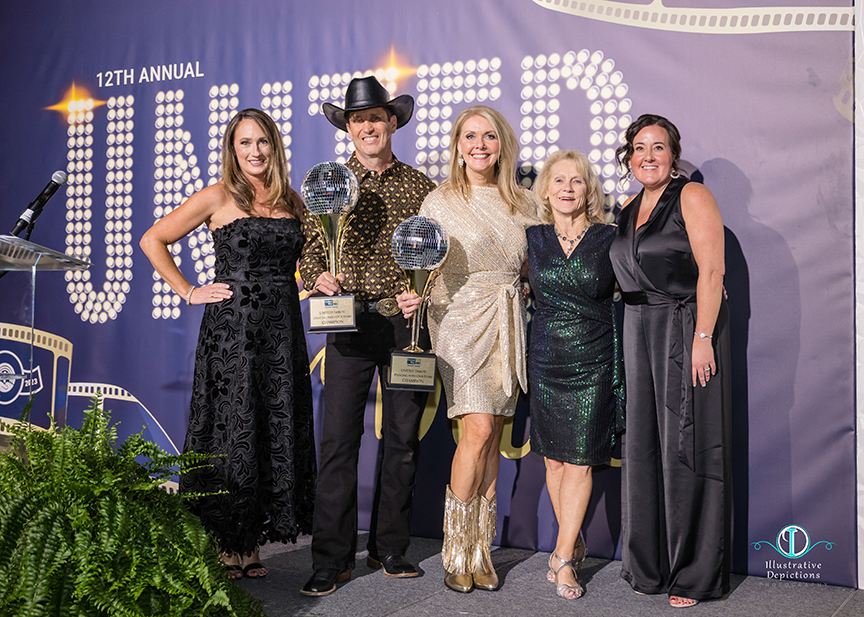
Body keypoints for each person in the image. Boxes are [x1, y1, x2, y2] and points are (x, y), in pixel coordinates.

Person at [140, 108, 316, 580]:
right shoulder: (217, 196)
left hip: (281, 334)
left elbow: (305, 267)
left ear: (274, 147)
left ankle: (252, 542)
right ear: (232, 150)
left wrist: (317, 284)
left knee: (269, 427)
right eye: (245, 143)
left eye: (263, 142)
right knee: (229, 430)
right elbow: (153, 239)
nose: (255, 151)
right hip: (231, 334)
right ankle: (225, 542)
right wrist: (189, 290)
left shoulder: (293, 202)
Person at [299, 76, 436, 597]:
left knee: (402, 439)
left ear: (393, 122)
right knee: (338, 441)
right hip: (346, 319)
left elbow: (435, 253)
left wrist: (422, 292)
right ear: (349, 129)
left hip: (404, 325)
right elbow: (311, 248)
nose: (368, 126)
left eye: (376, 117)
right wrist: (318, 277)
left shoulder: (422, 187)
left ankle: (390, 547)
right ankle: (331, 559)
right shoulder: (329, 182)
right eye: (358, 120)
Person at [398, 105, 536, 593]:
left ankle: (482, 549)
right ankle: (456, 549)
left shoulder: (524, 202)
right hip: (457, 318)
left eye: (490, 137)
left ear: (503, 145)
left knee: (494, 433)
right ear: (457, 144)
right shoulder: (439, 202)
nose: (480, 145)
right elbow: (421, 264)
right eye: (471, 136)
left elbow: (532, 265)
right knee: (476, 430)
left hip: (507, 320)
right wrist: (410, 291)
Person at [609, 114, 731, 608]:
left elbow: (713, 269)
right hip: (637, 329)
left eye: (658, 147)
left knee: (687, 445)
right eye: (639, 148)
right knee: (641, 447)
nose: (648, 156)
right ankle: (649, 565)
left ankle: (693, 573)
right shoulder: (628, 207)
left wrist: (703, 336)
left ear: (673, 155)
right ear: (629, 157)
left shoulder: (692, 197)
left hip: (684, 329)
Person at [525, 150, 624, 599]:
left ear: (589, 190)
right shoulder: (531, 238)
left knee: (581, 462)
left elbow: (642, 279)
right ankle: (573, 538)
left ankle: (563, 559)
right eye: (559, 180)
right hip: (546, 358)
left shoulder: (610, 238)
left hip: (593, 359)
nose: (567, 188)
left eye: (577, 181)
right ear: (545, 190)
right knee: (555, 461)